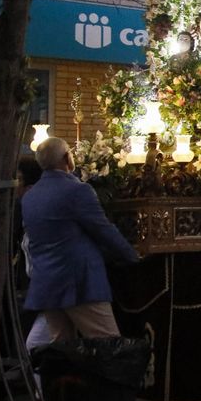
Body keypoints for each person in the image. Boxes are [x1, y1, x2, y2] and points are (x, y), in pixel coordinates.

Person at [23, 137, 140, 346]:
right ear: (67, 158)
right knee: (109, 346)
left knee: (62, 349)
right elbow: (103, 230)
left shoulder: (30, 197)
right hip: (79, 281)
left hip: (47, 282)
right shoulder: (77, 190)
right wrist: (132, 256)